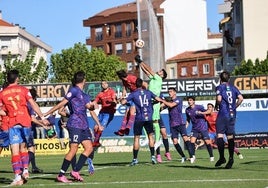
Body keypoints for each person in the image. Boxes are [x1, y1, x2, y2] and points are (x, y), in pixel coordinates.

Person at [44, 71, 102, 183]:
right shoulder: (74, 90)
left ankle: (75, 171)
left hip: (84, 125)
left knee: (89, 148)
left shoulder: (84, 95)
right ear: (83, 80)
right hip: (75, 124)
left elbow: (90, 108)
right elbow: (62, 104)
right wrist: (48, 112)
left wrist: (95, 110)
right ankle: (61, 175)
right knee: (74, 148)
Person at [0, 70, 48, 186]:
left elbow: (1, 109)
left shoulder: (2, 93)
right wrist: (42, 117)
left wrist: (7, 112)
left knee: (14, 151)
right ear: (17, 79)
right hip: (25, 121)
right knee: (24, 148)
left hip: (12, 122)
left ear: (7, 79)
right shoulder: (24, 90)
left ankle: (17, 176)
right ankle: (25, 170)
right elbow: (33, 104)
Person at [120, 78, 162, 165]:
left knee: (136, 138)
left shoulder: (133, 94)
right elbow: (158, 99)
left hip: (139, 118)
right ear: (142, 85)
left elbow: (123, 102)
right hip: (149, 118)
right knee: (151, 136)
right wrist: (152, 103)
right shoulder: (148, 92)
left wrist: (122, 99)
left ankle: (135, 159)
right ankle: (153, 157)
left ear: (135, 85)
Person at [135, 55, 168, 158]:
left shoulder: (158, 78)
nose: (159, 71)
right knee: (146, 119)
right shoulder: (154, 78)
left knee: (155, 121)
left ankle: (158, 141)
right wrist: (140, 63)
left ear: (162, 76)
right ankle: (147, 137)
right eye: (160, 70)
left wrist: (141, 60)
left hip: (155, 102)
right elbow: (146, 71)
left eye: (162, 72)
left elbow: (149, 69)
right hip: (150, 101)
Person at [214, 71, 243, 169]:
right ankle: (231, 158)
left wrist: (217, 105)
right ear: (229, 79)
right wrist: (235, 106)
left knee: (220, 136)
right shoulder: (233, 87)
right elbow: (241, 98)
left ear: (220, 79)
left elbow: (218, 99)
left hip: (223, 114)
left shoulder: (219, 87)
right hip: (232, 115)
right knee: (230, 137)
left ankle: (222, 157)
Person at [161, 87, 194, 163]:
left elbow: (172, 105)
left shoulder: (178, 99)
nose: (169, 93)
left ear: (175, 92)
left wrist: (163, 101)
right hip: (172, 125)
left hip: (180, 123)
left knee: (185, 139)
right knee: (175, 141)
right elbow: (162, 107)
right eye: (169, 92)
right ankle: (183, 156)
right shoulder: (168, 102)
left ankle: (192, 156)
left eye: (171, 91)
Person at [185, 96, 214, 163]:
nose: (189, 101)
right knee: (192, 142)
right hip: (194, 128)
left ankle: (211, 156)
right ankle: (193, 156)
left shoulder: (199, 107)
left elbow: (208, 112)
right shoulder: (187, 110)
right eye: (188, 100)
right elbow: (188, 120)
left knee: (207, 142)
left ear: (194, 101)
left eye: (191, 100)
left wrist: (201, 113)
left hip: (203, 127)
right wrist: (185, 127)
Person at [92, 81, 117, 147]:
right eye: (102, 84)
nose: (104, 85)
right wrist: (94, 104)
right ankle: (96, 141)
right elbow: (95, 101)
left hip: (109, 113)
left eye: (105, 83)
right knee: (95, 127)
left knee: (101, 127)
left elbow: (114, 100)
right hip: (102, 112)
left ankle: (95, 142)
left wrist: (112, 102)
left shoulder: (111, 91)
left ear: (107, 84)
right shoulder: (100, 94)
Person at [114, 70, 138, 136]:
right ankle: (122, 130)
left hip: (137, 95)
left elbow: (142, 84)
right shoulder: (124, 80)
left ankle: (128, 128)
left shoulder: (132, 78)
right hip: (131, 95)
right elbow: (124, 89)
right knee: (126, 112)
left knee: (131, 111)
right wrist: (122, 97)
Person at [27, 88, 45, 174]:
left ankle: (33, 167)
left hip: (18, 128)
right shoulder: (30, 105)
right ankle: (25, 168)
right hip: (27, 128)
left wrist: (42, 121)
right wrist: (42, 124)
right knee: (30, 149)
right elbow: (32, 119)